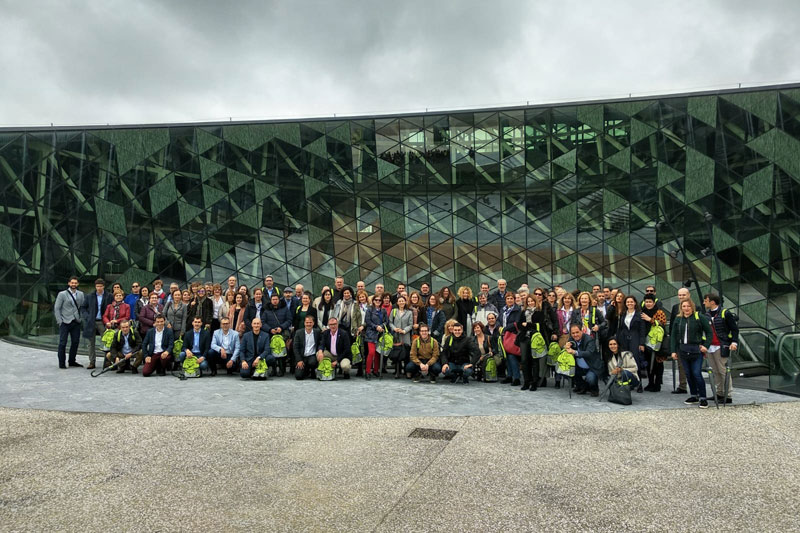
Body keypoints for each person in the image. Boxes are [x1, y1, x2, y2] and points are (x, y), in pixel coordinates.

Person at [670, 299, 713, 409]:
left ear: (692, 307)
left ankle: (703, 397)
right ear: (681, 307)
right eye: (684, 306)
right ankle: (694, 395)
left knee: (696, 373)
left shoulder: (699, 317)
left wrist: (706, 346)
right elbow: (674, 335)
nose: (686, 308)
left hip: (696, 350)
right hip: (683, 350)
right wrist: (673, 351)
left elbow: (709, 332)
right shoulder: (678, 319)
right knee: (688, 374)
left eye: (688, 306)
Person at [703, 293, 739, 404]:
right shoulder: (706, 314)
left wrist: (734, 342)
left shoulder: (725, 313)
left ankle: (727, 395)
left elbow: (734, 329)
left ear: (712, 302)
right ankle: (719, 393)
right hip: (710, 346)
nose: (704, 302)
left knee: (722, 370)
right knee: (715, 371)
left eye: (706, 300)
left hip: (721, 345)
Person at [616, 295, 647, 393]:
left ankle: (639, 383)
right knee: (626, 361)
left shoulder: (639, 314)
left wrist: (641, 343)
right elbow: (620, 328)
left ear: (635, 303)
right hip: (624, 340)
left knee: (635, 361)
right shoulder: (623, 314)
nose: (629, 303)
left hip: (635, 340)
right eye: (628, 302)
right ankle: (630, 382)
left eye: (631, 302)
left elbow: (642, 330)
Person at [54, 276, 86, 369]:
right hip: (65, 321)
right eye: (72, 283)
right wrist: (59, 321)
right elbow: (57, 308)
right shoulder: (62, 294)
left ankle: (72, 361)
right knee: (62, 343)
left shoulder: (81, 294)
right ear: (69, 283)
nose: (74, 284)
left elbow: (82, 307)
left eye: (75, 283)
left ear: (78, 284)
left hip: (76, 321)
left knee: (75, 342)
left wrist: (81, 318)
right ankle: (61, 363)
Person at [517, 294, 547, 391]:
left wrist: (528, 324)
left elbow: (540, 326)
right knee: (525, 361)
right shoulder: (523, 312)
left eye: (532, 301)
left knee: (535, 361)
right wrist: (528, 326)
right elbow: (519, 325)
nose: (530, 303)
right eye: (528, 301)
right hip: (524, 338)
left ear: (535, 301)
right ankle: (526, 381)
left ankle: (534, 382)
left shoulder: (539, 312)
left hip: (535, 338)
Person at [565, 324, 603, 396]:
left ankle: (594, 389)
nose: (575, 335)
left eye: (577, 332)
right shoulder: (571, 339)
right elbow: (567, 350)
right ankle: (582, 386)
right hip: (579, 366)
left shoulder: (589, 339)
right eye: (573, 333)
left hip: (591, 366)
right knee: (566, 370)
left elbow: (589, 353)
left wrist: (575, 352)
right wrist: (566, 347)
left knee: (590, 378)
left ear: (581, 331)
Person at [84, 278, 113, 370]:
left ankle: (107, 361)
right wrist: (87, 317)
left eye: (100, 286)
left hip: (103, 322)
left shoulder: (109, 296)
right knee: (90, 343)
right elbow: (83, 308)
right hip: (91, 321)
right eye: (97, 286)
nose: (99, 288)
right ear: (95, 286)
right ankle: (92, 362)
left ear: (103, 286)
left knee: (106, 342)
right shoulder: (90, 296)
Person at [668, 287, 692, 394]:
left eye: (683, 295)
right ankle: (682, 386)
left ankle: (693, 387)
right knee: (681, 365)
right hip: (679, 341)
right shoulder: (675, 308)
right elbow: (672, 326)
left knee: (693, 366)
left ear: (688, 295)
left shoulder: (696, 307)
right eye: (680, 295)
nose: (681, 297)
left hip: (692, 342)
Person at [388, 295, 413, 378]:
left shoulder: (409, 312)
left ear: (405, 302)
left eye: (403, 301)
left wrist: (404, 330)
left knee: (406, 353)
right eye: (400, 301)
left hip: (405, 335)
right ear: (397, 303)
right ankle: (397, 371)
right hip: (396, 335)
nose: (401, 302)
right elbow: (390, 322)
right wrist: (395, 329)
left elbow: (410, 324)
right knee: (397, 353)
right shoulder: (394, 311)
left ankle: (407, 371)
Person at [364, 295, 389, 378]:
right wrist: (376, 327)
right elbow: (367, 321)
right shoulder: (369, 310)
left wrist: (381, 326)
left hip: (380, 334)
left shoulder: (383, 310)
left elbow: (386, 321)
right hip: (371, 333)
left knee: (378, 353)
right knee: (371, 352)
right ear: (373, 301)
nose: (378, 301)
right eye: (376, 300)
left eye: (379, 300)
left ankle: (376, 370)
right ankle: (367, 371)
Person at [293, 315, 321, 380]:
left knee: (312, 362)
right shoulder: (298, 332)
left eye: (310, 322)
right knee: (298, 376)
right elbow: (295, 348)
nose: (308, 324)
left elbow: (320, 344)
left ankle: (312, 370)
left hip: (312, 356)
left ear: (313, 323)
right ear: (304, 323)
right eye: (307, 322)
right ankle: (306, 370)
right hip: (302, 356)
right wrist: (299, 360)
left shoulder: (317, 332)